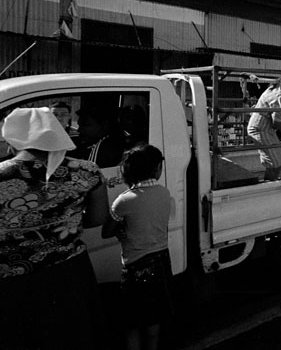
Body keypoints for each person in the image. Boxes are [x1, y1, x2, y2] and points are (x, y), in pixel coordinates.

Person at [0, 107, 109, 349]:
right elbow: (97, 219)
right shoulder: (87, 171)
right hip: (70, 274)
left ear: (12, 138)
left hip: (13, 280)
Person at [102, 144, 173, 350]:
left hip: (135, 267)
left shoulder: (124, 201)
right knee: (154, 319)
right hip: (161, 261)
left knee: (131, 322)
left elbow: (106, 231)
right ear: (158, 169)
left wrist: (121, 230)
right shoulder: (164, 193)